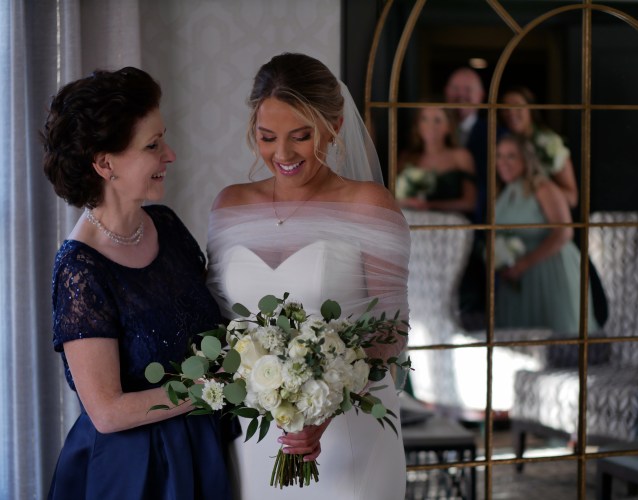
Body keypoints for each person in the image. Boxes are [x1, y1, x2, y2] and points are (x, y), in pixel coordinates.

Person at [206, 53, 410, 499]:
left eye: (301, 136)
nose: (282, 154)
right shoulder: (229, 206)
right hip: (257, 434)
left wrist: (325, 406)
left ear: (335, 126)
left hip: (350, 431)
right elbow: (217, 324)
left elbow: (391, 331)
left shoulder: (369, 206)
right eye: (267, 137)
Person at [41, 67, 236, 499]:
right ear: (105, 163)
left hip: (204, 447)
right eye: (152, 145)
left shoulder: (167, 225)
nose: (170, 155)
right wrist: (212, 387)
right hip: (136, 471)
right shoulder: (80, 269)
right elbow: (107, 411)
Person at [494, 134, 598, 335]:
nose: (503, 162)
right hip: (518, 278)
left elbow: (564, 232)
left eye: (511, 156)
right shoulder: (506, 192)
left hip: (550, 271)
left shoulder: (543, 188)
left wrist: (524, 263)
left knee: (558, 339)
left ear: (526, 159)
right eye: (499, 155)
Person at [500, 86, 579, 208]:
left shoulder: (549, 144)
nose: (511, 111)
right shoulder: (502, 142)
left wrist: (540, 191)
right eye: (505, 107)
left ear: (531, 108)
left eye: (517, 105)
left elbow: (572, 198)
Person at [396, 105, 477, 216]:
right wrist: (407, 202)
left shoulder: (461, 156)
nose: (430, 125)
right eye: (424, 119)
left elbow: (470, 203)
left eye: (437, 120)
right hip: (408, 220)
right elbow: (392, 198)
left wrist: (430, 205)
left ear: (449, 126)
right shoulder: (406, 157)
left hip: (450, 222)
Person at [444, 67, 489, 223]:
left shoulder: (495, 134)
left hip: (481, 220)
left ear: (481, 95)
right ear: (446, 92)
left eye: (468, 89)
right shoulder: (429, 131)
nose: (461, 95)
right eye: (455, 88)